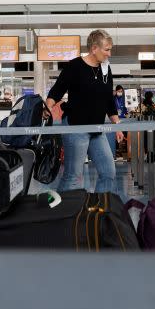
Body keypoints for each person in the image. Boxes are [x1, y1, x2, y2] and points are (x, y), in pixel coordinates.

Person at [46, 29, 123, 194]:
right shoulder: (74, 66)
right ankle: (61, 212)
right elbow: (57, 91)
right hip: (76, 128)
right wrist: (47, 106)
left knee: (109, 172)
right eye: (106, 49)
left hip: (97, 129)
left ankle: (99, 211)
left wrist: (117, 124)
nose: (109, 54)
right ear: (94, 48)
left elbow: (108, 100)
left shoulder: (105, 70)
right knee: (73, 176)